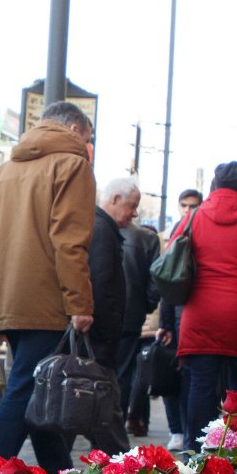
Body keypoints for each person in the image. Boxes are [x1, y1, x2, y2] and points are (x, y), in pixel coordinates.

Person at [0, 102, 98, 473]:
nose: (90, 147)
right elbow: (69, 241)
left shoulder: (5, 171)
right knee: (25, 390)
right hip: (49, 301)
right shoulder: (72, 165)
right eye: (89, 139)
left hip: (11, 300)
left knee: (39, 390)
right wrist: (80, 303)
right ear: (75, 130)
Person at [167, 162, 237, 448]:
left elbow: (171, 259)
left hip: (200, 314)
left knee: (201, 386)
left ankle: (196, 452)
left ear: (214, 186)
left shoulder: (193, 218)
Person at [83, 176, 135, 452]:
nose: (135, 213)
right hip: (100, 341)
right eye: (132, 205)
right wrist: (106, 336)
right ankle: (123, 468)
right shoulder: (102, 230)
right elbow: (101, 286)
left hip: (99, 339)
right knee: (108, 410)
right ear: (114, 199)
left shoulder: (101, 227)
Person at [119, 197, 162, 438]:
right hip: (130, 318)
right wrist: (145, 305)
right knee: (126, 375)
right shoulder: (146, 239)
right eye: (132, 206)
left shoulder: (95, 231)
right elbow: (155, 284)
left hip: (102, 317)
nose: (135, 213)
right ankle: (119, 421)